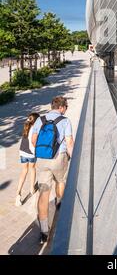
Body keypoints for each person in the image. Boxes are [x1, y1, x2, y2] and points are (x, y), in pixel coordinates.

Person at [32, 96, 74, 244]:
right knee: (60, 181)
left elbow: (33, 141)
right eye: (66, 108)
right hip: (59, 158)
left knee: (43, 194)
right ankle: (59, 205)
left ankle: (44, 232)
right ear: (62, 107)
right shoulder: (65, 121)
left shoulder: (40, 120)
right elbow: (69, 143)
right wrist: (73, 157)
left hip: (42, 160)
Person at [15, 112, 39, 206]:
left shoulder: (26, 126)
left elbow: (29, 120)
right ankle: (32, 189)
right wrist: (35, 153)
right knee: (32, 169)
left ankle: (18, 193)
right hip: (30, 153)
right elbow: (31, 143)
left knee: (24, 171)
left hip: (22, 152)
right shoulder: (34, 129)